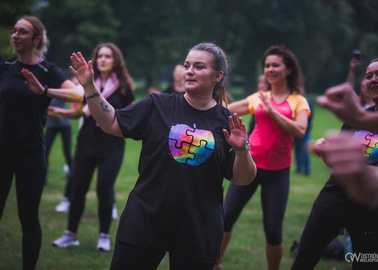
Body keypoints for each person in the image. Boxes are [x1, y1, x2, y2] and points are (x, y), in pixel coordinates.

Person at [69, 42, 256, 269]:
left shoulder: (226, 122)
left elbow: (243, 178)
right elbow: (111, 122)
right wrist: (89, 87)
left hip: (198, 228)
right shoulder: (158, 105)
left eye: (199, 67)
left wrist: (241, 148)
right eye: (187, 65)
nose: (189, 71)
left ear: (217, 76)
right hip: (145, 220)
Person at [216, 45, 310, 270]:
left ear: (287, 69)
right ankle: (214, 264)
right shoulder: (259, 97)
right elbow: (225, 109)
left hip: (278, 172)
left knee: (273, 230)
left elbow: (300, 130)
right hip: (250, 166)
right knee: (226, 218)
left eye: (275, 65)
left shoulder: (299, 101)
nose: (270, 69)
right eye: (267, 65)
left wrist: (272, 111)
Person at [0, 15, 83, 270]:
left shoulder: (47, 71)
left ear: (37, 39)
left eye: (22, 32)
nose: (15, 35)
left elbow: (78, 94)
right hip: (2, 150)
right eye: (13, 31)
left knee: (28, 217)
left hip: (31, 153)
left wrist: (45, 91)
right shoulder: (5, 67)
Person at [291, 58, 378, 270]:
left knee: (367, 266)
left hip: (372, 212)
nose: (373, 80)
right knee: (303, 260)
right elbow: (342, 165)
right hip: (333, 200)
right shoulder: (356, 118)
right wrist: (330, 152)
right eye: (369, 76)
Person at [52, 42, 135, 251]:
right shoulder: (88, 83)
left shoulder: (124, 87)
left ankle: (104, 236)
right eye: (99, 56)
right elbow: (80, 111)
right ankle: (70, 234)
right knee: (78, 188)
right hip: (87, 142)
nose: (103, 59)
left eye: (108, 56)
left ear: (116, 60)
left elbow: (129, 116)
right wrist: (62, 113)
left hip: (112, 145)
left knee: (104, 190)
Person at [45, 97, 73, 177]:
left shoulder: (58, 88)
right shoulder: (44, 90)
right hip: (51, 126)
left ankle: (72, 174)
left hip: (64, 124)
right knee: (45, 150)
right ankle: (43, 176)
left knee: (67, 151)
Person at [293, 87, 313, 176]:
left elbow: (309, 118)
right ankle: (298, 169)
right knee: (297, 151)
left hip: (305, 132)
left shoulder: (307, 103)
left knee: (304, 151)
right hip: (295, 131)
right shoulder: (295, 103)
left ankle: (307, 170)